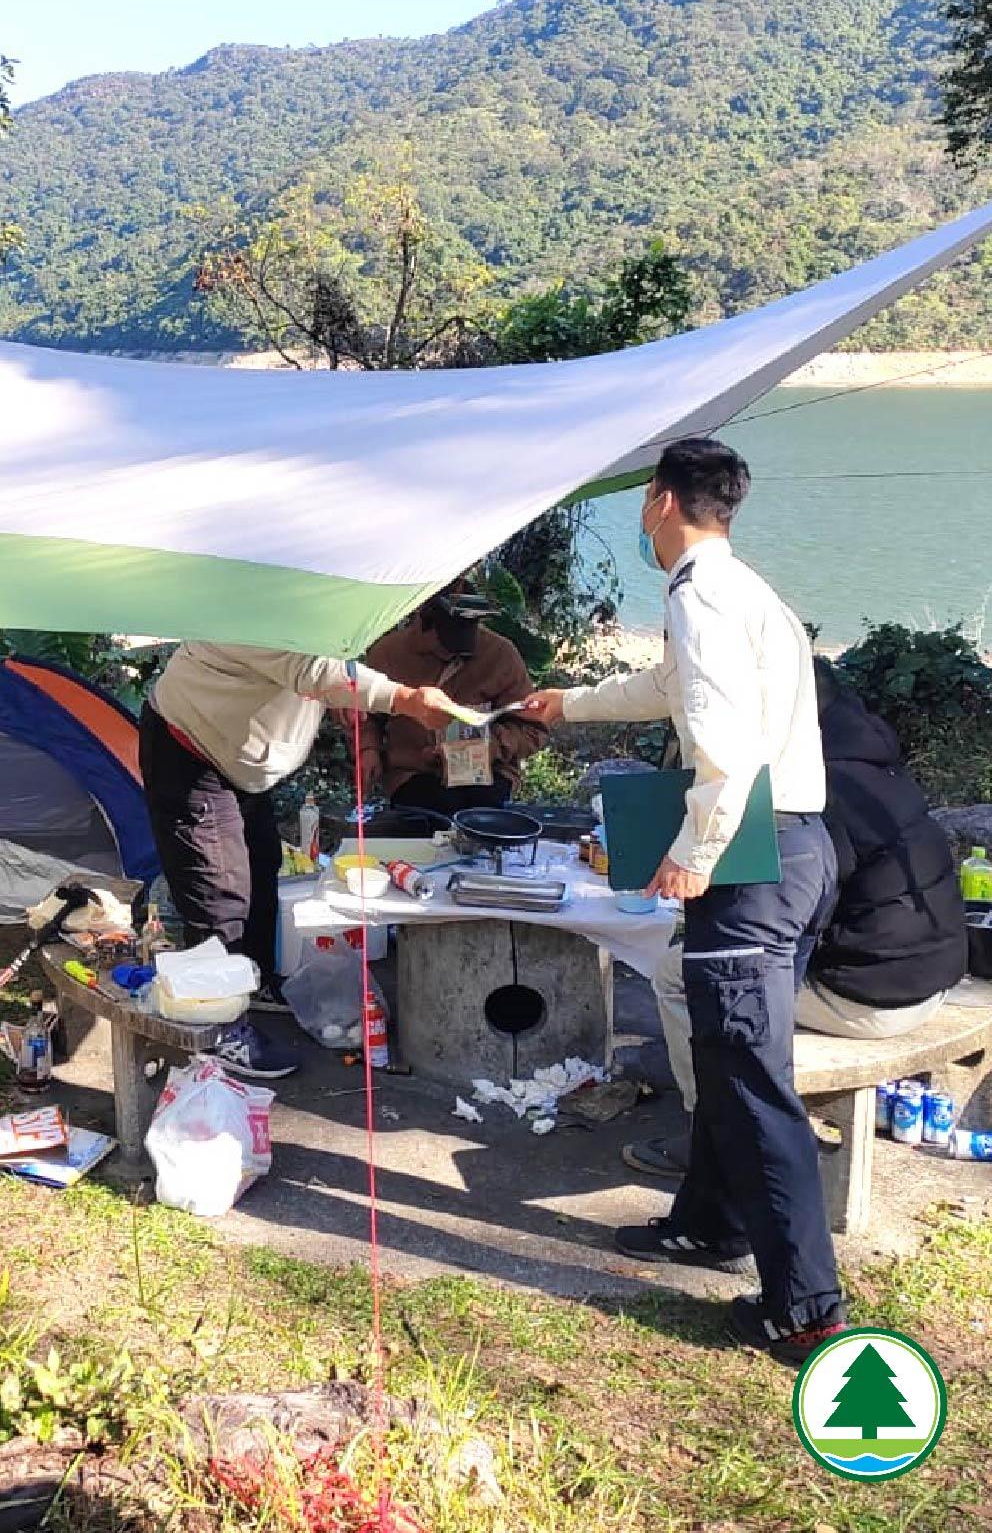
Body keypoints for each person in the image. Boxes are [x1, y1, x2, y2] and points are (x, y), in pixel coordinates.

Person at [523, 437, 845, 1364]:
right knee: (724, 1054)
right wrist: (570, 703)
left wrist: (695, 853)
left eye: (645, 500)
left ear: (660, 501)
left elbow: (726, 745)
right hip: (796, 848)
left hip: (751, 860)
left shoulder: (699, 596)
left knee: (752, 1083)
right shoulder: (745, 591)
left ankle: (806, 1309)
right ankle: (709, 1224)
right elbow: (669, 687)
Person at [627, 658, 968, 1178]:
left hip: (873, 997)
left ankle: (713, 1140)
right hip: (930, 977)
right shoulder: (873, 765)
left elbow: (788, 916)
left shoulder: (816, 790)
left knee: (683, 971)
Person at [141, 640, 463, 1079]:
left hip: (236, 753)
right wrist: (406, 700)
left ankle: (252, 980)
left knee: (261, 864)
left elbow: (324, 663)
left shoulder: (308, 616)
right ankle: (220, 1029)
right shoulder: (254, 615)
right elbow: (312, 670)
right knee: (218, 892)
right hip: (189, 748)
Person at [351, 581, 549, 815]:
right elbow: (365, 714)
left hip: (487, 775)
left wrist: (490, 748)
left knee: (481, 819)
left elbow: (533, 729)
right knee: (428, 815)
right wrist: (368, 749)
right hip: (413, 774)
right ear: (423, 623)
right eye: (447, 641)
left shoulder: (501, 655)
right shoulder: (387, 654)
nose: (455, 651)